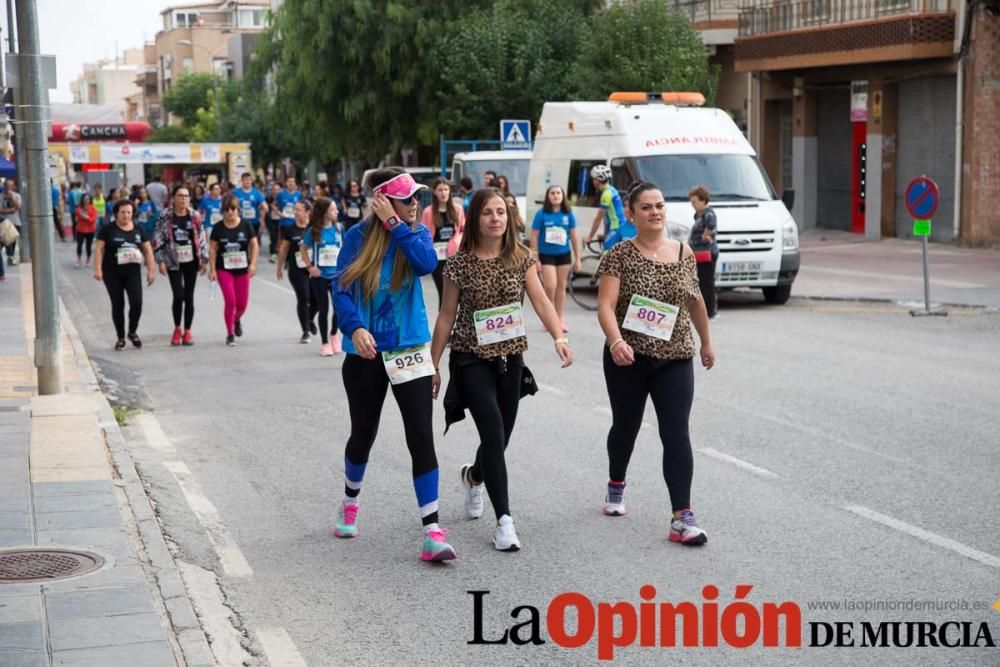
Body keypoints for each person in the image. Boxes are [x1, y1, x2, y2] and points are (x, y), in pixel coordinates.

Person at [430, 187, 572, 552]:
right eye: (488, 213)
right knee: (493, 433)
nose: (496, 218)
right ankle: (504, 522)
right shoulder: (459, 263)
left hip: (510, 358)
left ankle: (474, 476)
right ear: (475, 218)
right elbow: (446, 316)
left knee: (501, 438)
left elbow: (541, 301)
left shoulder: (521, 257)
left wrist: (558, 337)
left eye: (501, 212)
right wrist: (433, 364)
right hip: (470, 356)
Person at [331, 167, 456, 562]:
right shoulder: (357, 238)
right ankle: (350, 501)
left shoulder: (415, 234)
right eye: (407, 199)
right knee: (362, 435)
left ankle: (432, 530)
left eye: (417, 198)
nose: (415, 204)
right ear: (383, 200)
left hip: (408, 350)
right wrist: (354, 329)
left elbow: (425, 265)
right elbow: (341, 288)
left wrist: (396, 223)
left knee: (421, 435)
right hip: (366, 353)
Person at [596, 182, 715, 545]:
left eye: (660, 205)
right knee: (626, 426)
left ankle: (682, 516)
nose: (655, 212)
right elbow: (605, 305)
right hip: (628, 357)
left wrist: (706, 342)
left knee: (676, 431)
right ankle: (616, 483)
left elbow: (695, 301)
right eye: (646, 207)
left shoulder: (683, 252)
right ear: (631, 213)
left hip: (676, 355)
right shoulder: (618, 254)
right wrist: (615, 341)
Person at [93, 199, 156, 350]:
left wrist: (151, 271)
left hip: (132, 273)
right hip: (112, 273)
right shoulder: (107, 229)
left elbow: (147, 250)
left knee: (137, 302)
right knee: (118, 304)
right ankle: (120, 337)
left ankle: (132, 332)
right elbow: (99, 250)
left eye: (129, 212)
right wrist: (97, 269)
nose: (126, 215)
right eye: (123, 212)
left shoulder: (139, 230)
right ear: (116, 213)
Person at [154, 185, 207, 347]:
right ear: (173, 198)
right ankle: (177, 328)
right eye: (180, 196)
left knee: (189, 296)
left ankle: (187, 330)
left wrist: (204, 259)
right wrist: (161, 260)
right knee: (178, 295)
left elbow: (202, 236)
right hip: (173, 260)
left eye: (186, 196)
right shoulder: (166, 216)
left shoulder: (195, 216)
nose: (183, 199)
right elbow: (158, 238)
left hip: (191, 260)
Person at [208, 194, 259, 346]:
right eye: (227, 209)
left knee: (242, 304)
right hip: (224, 269)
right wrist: (212, 270)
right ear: (223, 211)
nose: (230, 212)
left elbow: (254, 245)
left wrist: (253, 264)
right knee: (231, 301)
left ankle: (236, 320)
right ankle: (230, 334)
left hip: (243, 269)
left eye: (233, 209)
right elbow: (212, 249)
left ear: (238, 210)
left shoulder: (246, 225)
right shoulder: (218, 228)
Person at [531, 185, 580, 333]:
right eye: (552, 193)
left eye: (558, 193)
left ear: (563, 195)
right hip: (546, 254)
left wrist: (578, 258)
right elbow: (534, 236)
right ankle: (548, 318)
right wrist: (536, 258)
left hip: (563, 253)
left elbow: (574, 236)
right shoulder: (541, 214)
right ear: (548, 196)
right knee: (550, 286)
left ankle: (559, 319)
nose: (555, 195)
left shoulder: (568, 213)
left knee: (560, 286)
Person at [301, 197, 343, 356]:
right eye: (333, 209)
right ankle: (325, 343)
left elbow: (344, 249)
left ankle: (334, 334)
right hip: (320, 276)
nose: (336, 212)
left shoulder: (339, 228)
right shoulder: (313, 231)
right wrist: (310, 267)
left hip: (337, 275)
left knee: (339, 308)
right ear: (324, 213)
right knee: (323, 309)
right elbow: (303, 248)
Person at [276, 199, 317, 344]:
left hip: (314, 269)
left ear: (307, 212)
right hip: (297, 270)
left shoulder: (314, 229)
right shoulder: (290, 229)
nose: (295, 212)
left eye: (299, 209)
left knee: (316, 300)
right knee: (304, 298)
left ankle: (310, 318)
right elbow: (283, 249)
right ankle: (305, 331)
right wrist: (279, 267)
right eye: (295, 209)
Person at [419, 177, 465, 303]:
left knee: (458, 293)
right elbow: (424, 234)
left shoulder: (458, 209)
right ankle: (445, 321)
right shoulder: (428, 211)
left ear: (450, 191)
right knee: (443, 293)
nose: (443, 193)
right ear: (434, 192)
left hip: (454, 255)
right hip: (437, 256)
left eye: (446, 189)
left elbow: (462, 230)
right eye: (440, 190)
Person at [689, 186, 719, 321]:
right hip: (698, 253)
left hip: (706, 253)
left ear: (703, 200)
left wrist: (705, 235)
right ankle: (703, 310)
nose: (692, 204)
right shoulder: (698, 214)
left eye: (695, 201)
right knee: (699, 282)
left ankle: (711, 311)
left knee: (707, 283)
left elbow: (711, 226)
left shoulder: (709, 214)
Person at [585, 165, 626, 249]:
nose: (593, 181)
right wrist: (605, 234)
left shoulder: (606, 194)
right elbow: (608, 217)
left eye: (594, 179)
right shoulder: (611, 190)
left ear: (597, 180)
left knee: (607, 255)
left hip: (616, 228)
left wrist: (590, 237)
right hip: (616, 227)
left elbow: (598, 218)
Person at [233, 172, 268, 252]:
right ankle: (245, 258)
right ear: (241, 181)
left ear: (252, 181)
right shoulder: (236, 192)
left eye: (249, 180)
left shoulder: (256, 193)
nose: (247, 182)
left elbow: (265, 207)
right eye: (245, 180)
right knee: (242, 241)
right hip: (240, 222)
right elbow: (232, 205)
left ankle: (252, 258)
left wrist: (261, 219)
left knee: (253, 241)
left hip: (254, 222)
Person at [275, 176, 302, 262]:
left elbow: (304, 207)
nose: (291, 183)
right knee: (285, 243)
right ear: (286, 183)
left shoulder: (299, 195)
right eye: (289, 182)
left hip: (296, 222)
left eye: (293, 182)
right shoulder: (281, 194)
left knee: (295, 242)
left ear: (295, 184)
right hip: (284, 223)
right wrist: (279, 214)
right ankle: (285, 259)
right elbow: (273, 205)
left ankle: (292, 259)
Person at [1, 179, 22, 264]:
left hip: (15, 222)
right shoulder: (1, 196)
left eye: (10, 186)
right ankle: (10, 257)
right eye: (7, 185)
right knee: (4, 242)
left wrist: (12, 198)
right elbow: (1, 210)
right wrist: (11, 210)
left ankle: (11, 257)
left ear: (13, 187)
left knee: (12, 242)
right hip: (3, 223)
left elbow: (18, 206)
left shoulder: (17, 196)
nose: (8, 188)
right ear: (4, 186)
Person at [74, 193, 98, 268]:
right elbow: (77, 216)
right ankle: (78, 260)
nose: (86, 200)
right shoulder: (79, 208)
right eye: (85, 199)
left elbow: (93, 219)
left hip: (90, 230)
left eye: (88, 199)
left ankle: (88, 260)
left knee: (89, 246)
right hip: (80, 229)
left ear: (90, 200)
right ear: (82, 199)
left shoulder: (93, 208)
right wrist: (84, 216)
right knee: (79, 245)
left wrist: (87, 217)